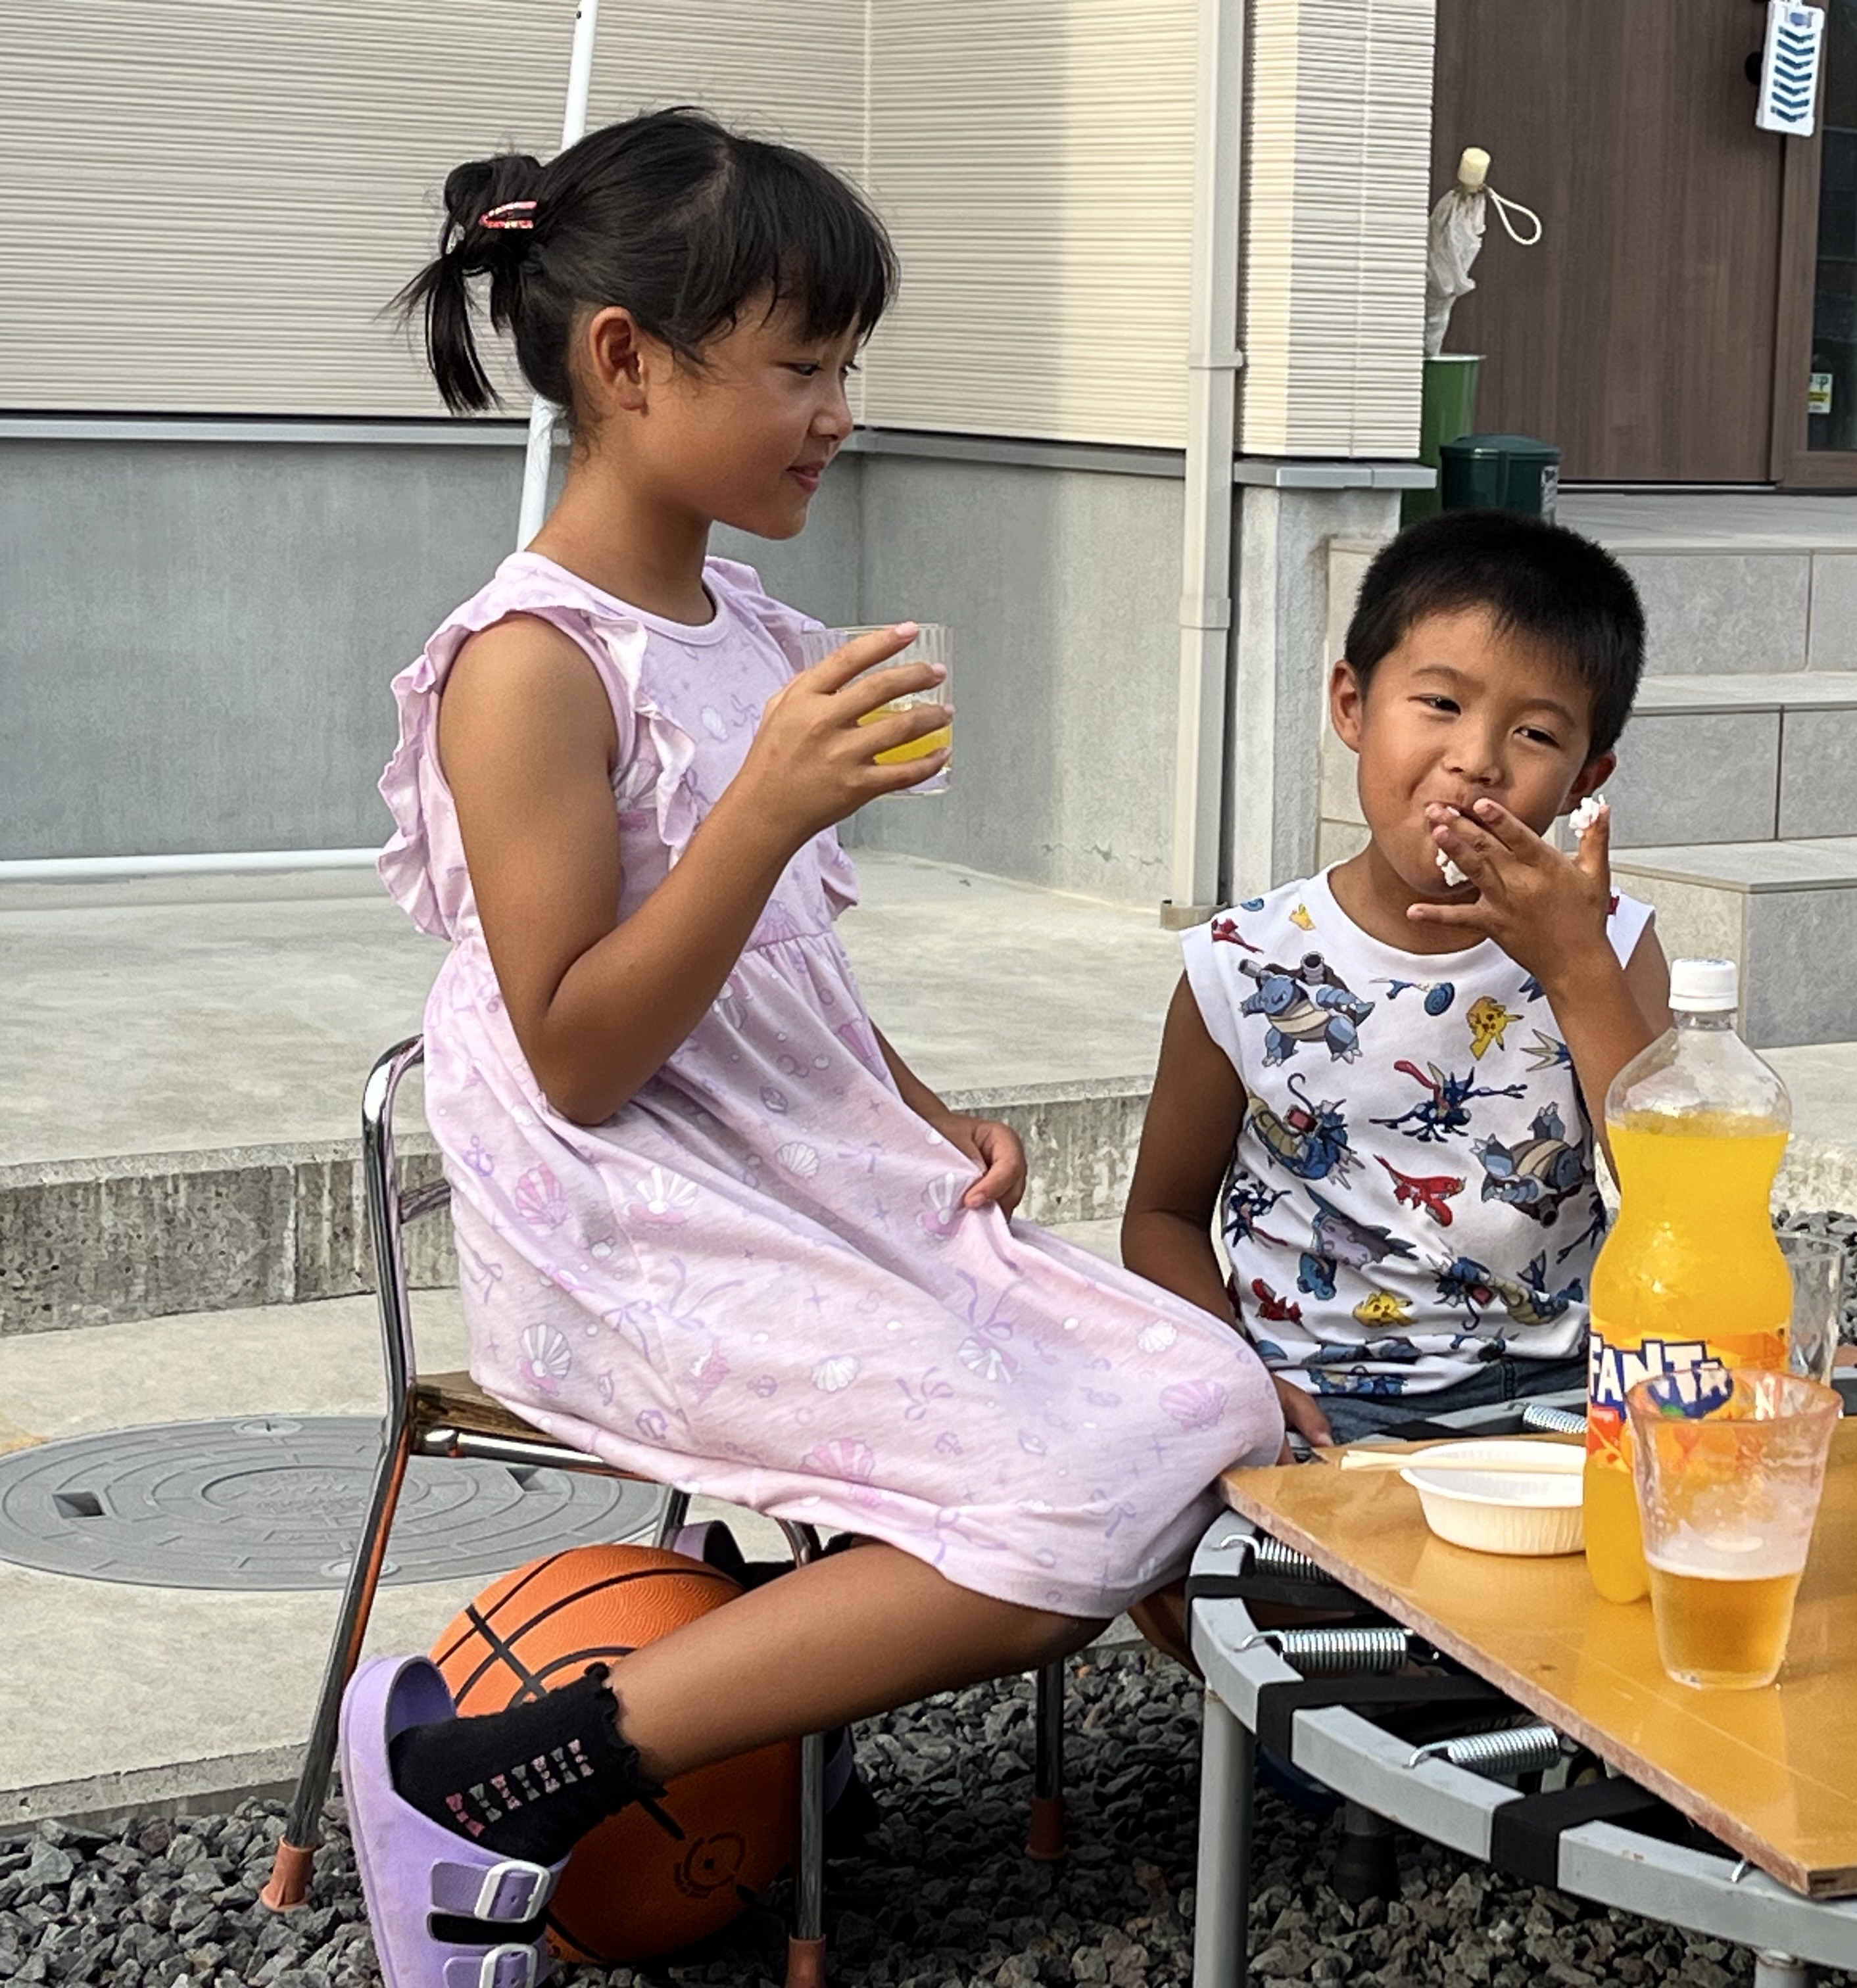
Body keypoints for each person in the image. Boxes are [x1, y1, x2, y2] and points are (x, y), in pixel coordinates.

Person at [343, 110, 1280, 1982]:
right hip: (626, 1209)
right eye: (801, 367)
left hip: (784, 1159)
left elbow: (785, 978)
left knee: (1205, 1393)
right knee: (1061, 1503)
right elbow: (577, 1053)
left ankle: (758, 1697)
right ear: (628, 361)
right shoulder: (528, 666)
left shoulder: (753, 633)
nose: (841, 414)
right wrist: (762, 808)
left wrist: (923, 1113)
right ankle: (496, 1777)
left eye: (848, 366)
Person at [1122, 510, 1669, 1447]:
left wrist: (1575, 965)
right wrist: (1235, 1375)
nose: (1476, 761)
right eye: (1441, 704)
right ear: (1352, 704)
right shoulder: (1243, 960)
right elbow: (1162, 1216)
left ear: (1588, 777)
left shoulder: (1609, 944)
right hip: (1316, 1397)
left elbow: (1675, 1200)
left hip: (1559, 1389)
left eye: (1535, 734)